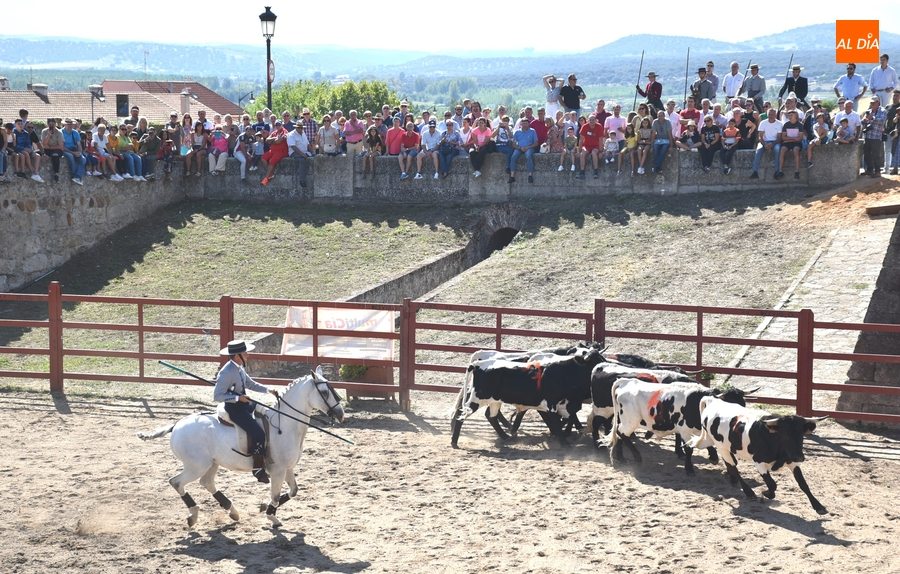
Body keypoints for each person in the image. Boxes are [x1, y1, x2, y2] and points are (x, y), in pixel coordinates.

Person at [213, 340, 279, 483]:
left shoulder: (239, 368)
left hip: (245, 403)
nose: (248, 356)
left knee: (267, 415)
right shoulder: (226, 372)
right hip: (235, 410)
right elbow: (217, 396)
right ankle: (257, 468)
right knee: (259, 434)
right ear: (237, 356)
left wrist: (268, 390)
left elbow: (250, 384)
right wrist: (238, 398)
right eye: (245, 353)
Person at [750, 112, 783, 179]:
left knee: (777, 150)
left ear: (776, 115)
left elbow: (780, 138)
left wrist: (772, 144)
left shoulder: (780, 124)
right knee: (758, 151)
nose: (771, 116)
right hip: (764, 141)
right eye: (769, 114)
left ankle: (777, 171)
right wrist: (764, 144)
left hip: (775, 142)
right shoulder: (763, 123)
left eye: (772, 114)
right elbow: (760, 137)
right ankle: (755, 171)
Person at [861, 96, 888, 177]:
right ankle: (869, 169)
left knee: (876, 154)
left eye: (874, 102)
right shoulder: (868, 111)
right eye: (871, 103)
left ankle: (877, 171)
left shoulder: (883, 111)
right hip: (867, 135)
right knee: (867, 153)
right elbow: (862, 121)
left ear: (878, 102)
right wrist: (864, 120)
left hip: (876, 136)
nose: (872, 104)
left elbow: (882, 121)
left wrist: (872, 118)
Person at [509, 118, 538, 184]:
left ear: (528, 124)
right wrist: (519, 148)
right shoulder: (517, 132)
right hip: (520, 148)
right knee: (513, 157)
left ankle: (530, 175)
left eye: (526, 123)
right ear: (521, 124)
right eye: (523, 123)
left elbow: (536, 143)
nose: (524, 125)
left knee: (528, 156)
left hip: (529, 148)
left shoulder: (532, 131)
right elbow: (514, 144)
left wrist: (528, 147)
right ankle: (512, 176)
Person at [260, 120, 289, 185]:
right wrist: (275, 139)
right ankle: (270, 174)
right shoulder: (274, 132)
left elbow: (278, 141)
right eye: (276, 125)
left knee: (271, 161)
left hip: (282, 151)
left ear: (282, 125)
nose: (278, 126)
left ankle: (266, 178)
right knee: (263, 158)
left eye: (279, 125)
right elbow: (267, 140)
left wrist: (273, 140)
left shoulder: (285, 132)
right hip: (272, 151)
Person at [778, 109, 805, 180]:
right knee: (782, 151)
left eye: (791, 115)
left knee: (796, 150)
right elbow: (783, 137)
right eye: (789, 115)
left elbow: (800, 138)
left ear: (795, 116)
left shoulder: (799, 125)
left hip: (796, 143)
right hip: (787, 142)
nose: (790, 116)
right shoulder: (786, 125)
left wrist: (790, 139)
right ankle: (780, 170)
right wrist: (793, 139)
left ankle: (797, 171)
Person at [575, 114, 604, 180]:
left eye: (593, 120)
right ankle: (582, 172)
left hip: (596, 145)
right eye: (590, 120)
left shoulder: (599, 126)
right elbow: (581, 140)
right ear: (588, 121)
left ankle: (596, 171)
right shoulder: (585, 126)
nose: (591, 121)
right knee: (582, 154)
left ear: (596, 120)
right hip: (587, 145)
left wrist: (600, 151)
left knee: (594, 153)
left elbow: (601, 139)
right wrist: (579, 151)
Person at [40, 117, 67, 183]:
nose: (51, 125)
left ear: (55, 124)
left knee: (55, 156)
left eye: (53, 124)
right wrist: (48, 136)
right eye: (50, 124)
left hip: (56, 149)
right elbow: (43, 144)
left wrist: (49, 147)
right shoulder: (44, 131)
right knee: (37, 154)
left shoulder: (59, 133)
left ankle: (56, 174)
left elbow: (60, 146)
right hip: (46, 149)